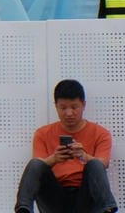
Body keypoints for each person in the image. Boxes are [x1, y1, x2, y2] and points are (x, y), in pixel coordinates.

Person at [13, 79, 114, 213]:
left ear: (83, 105)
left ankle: (107, 209)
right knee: (35, 164)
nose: (69, 113)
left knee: (95, 164)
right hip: (55, 196)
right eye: (63, 108)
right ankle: (23, 210)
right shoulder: (42, 134)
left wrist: (84, 156)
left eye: (74, 107)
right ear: (56, 106)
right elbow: (37, 168)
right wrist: (54, 159)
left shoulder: (100, 133)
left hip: (85, 196)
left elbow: (103, 164)